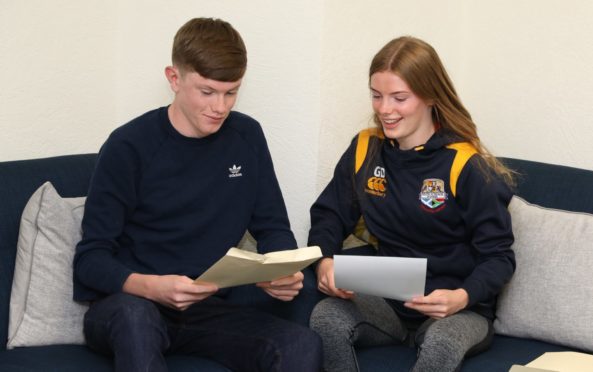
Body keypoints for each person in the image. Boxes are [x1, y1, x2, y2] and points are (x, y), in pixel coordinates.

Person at [73, 17, 322, 372]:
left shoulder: (247, 137)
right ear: (174, 79)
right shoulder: (128, 146)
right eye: (207, 91)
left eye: (231, 92)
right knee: (135, 320)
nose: (220, 107)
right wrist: (152, 288)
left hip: (208, 308)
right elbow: (90, 259)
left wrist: (279, 271)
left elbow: (273, 228)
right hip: (129, 306)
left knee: (301, 344)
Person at [307, 36, 516, 372]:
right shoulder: (365, 148)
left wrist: (461, 296)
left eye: (399, 98)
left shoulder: (466, 165)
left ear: (430, 95)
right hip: (388, 303)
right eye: (377, 96)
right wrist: (324, 263)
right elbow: (329, 216)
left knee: (441, 342)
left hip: (457, 309)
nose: (384, 109)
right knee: (327, 316)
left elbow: (499, 257)